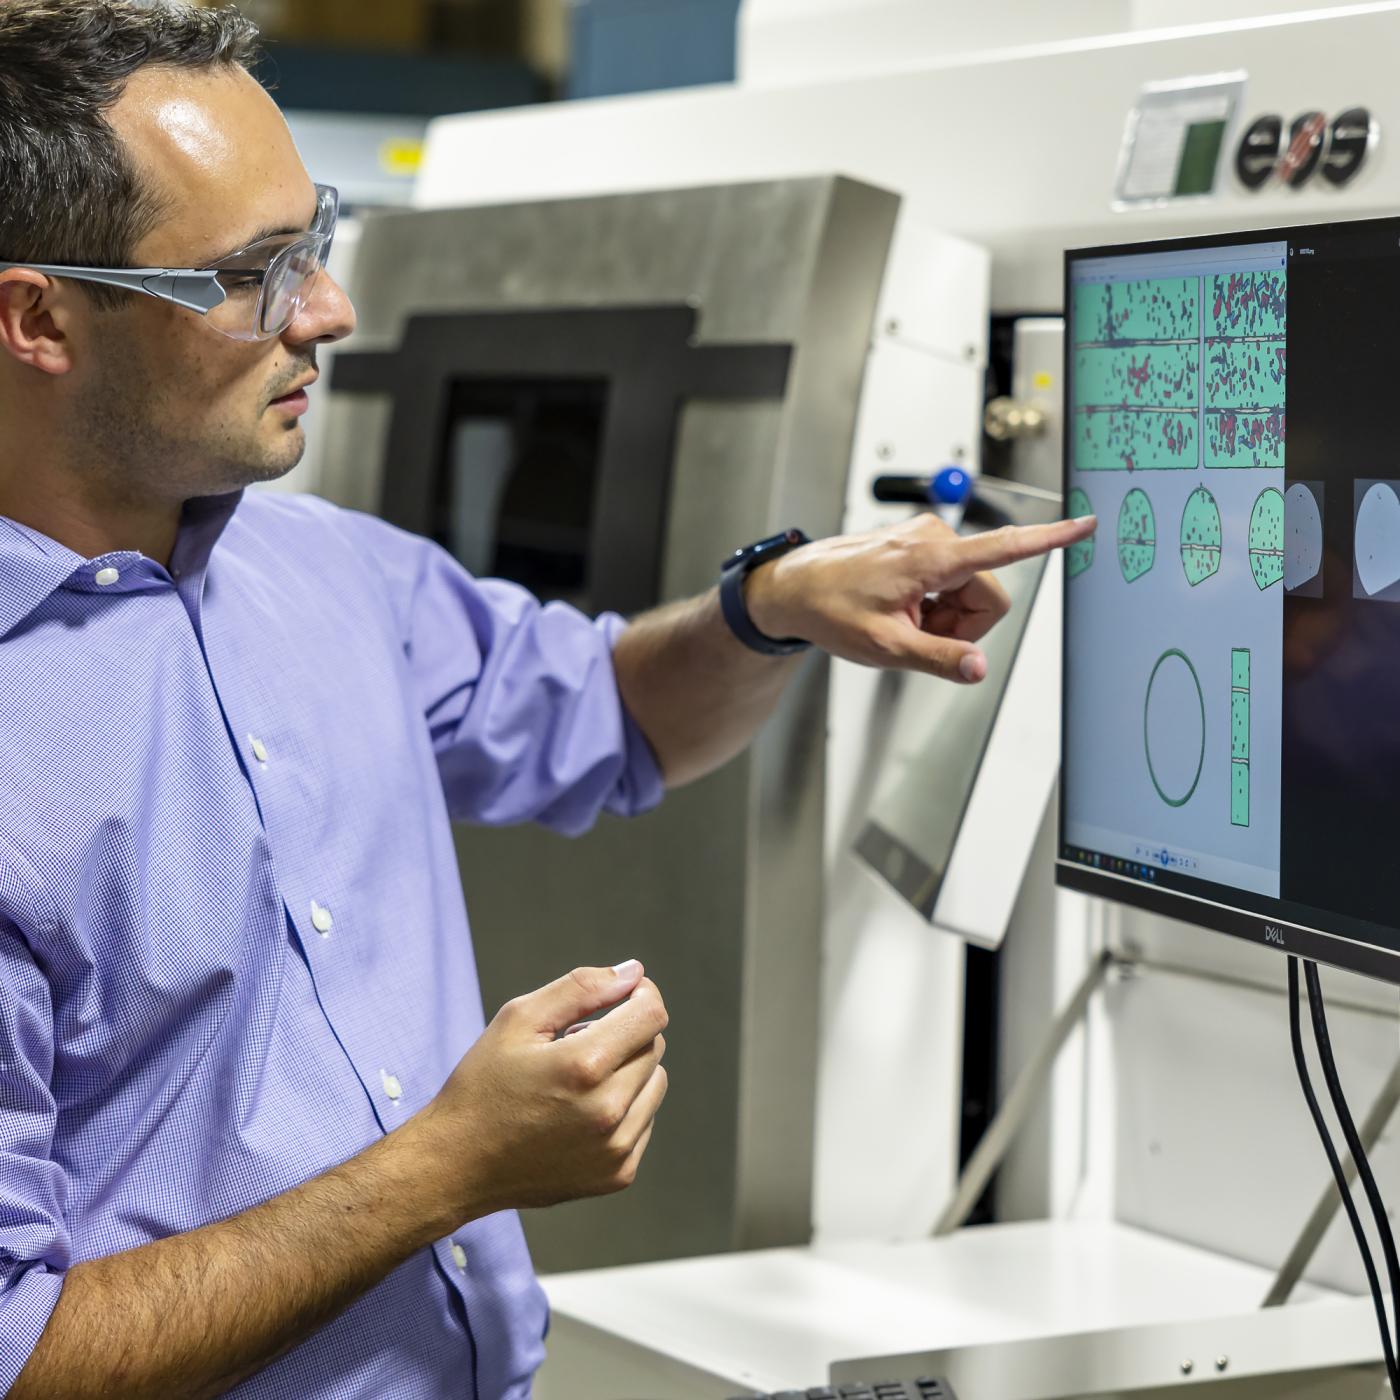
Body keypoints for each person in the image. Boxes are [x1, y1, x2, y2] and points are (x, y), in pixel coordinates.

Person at [0, 3, 1095, 1397]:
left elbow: (607, 718)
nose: (328, 311)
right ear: (40, 318)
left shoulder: (329, 569)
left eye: (315, 240)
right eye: (252, 276)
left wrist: (769, 608)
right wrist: (450, 1167)